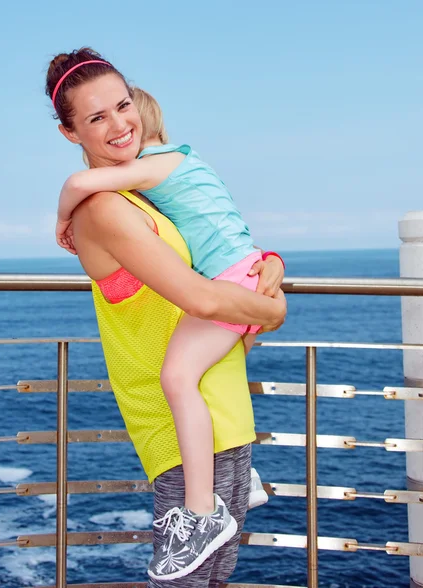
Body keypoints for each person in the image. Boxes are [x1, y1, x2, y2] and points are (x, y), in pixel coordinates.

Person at [45, 47, 286, 585]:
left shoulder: (141, 192)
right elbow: (202, 299)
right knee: (190, 579)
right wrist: (269, 308)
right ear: (70, 133)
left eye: (122, 106)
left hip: (215, 413)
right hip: (178, 424)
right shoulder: (108, 207)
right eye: (95, 117)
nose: (118, 124)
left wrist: (266, 271)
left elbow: (213, 253)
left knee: (207, 576)